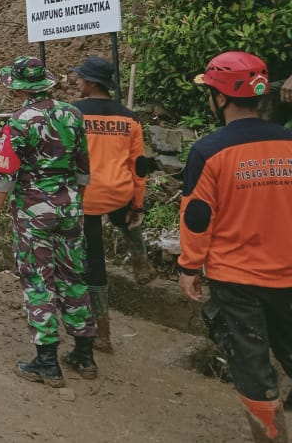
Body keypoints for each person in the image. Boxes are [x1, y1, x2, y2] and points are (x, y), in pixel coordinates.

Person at [178, 51, 292, 442]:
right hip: (288, 273)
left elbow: (197, 218)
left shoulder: (209, 151)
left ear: (221, 98)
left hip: (237, 278)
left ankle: (270, 436)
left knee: (252, 364)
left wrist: (189, 268)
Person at [0, 55, 96, 388]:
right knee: (74, 276)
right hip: (70, 207)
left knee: (38, 280)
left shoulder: (18, 122)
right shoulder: (72, 114)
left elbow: (4, 176)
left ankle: (47, 363)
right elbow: (84, 168)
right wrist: (75, 204)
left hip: (34, 213)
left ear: (17, 88)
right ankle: (84, 356)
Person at [70, 56, 153, 353]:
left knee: (93, 264)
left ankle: (102, 331)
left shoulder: (73, 113)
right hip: (119, 191)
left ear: (91, 83)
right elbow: (139, 165)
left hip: (86, 197)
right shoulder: (130, 118)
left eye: (79, 78)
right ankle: (140, 259)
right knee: (126, 216)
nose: (76, 82)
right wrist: (138, 205)